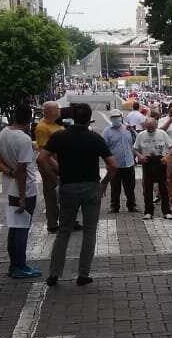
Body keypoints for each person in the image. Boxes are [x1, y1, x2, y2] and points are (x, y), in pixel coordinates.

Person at [41, 103, 116, 288]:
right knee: (90, 232)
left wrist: (55, 176)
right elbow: (113, 165)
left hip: (68, 187)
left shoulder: (60, 136)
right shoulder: (95, 138)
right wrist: (104, 184)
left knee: (63, 231)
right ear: (89, 118)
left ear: (73, 117)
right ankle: (83, 274)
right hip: (91, 187)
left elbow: (41, 158)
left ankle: (54, 274)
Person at [0, 105, 43, 280]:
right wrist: (23, 197)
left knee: (14, 228)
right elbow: (22, 170)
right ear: (29, 120)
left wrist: (8, 171)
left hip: (11, 187)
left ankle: (14, 265)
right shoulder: (23, 140)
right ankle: (20, 266)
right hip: (26, 190)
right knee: (22, 229)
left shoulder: (4, 133)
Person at [34, 102, 75, 234]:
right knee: (51, 194)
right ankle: (52, 223)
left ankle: (68, 221)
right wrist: (58, 167)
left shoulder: (57, 124)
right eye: (57, 109)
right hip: (50, 166)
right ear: (50, 111)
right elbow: (44, 152)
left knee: (67, 194)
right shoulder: (42, 127)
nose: (59, 111)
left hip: (63, 163)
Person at [134, 116, 172, 220]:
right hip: (147, 161)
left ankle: (166, 211)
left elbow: (171, 147)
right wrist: (140, 156)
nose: (150, 129)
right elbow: (134, 148)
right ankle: (148, 212)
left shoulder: (162, 133)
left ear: (156, 125)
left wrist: (167, 157)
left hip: (160, 160)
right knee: (148, 188)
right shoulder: (141, 135)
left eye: (152, 127)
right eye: (148, 127)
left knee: (163, 188)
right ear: (145, 126)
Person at [102, 115, 138, 213]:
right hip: (114, 164)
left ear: (121, 117)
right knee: (115, 187)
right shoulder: (107, 131)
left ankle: (132, 206)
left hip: (128, 163)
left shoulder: (127, 129)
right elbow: (104, 148)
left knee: (130, 187)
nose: (116, 119)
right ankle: (114, 206)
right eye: (113, 117)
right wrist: (107, 163)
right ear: (111, 119)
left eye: (118, 117)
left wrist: (132, 131)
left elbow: (135, 142)